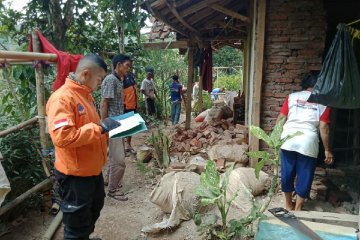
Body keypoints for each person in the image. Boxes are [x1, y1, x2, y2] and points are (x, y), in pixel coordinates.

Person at [46, 54, 119, 239]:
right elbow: (63, 136)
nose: (100, 83)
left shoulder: (85, 95)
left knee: (95, 207)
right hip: (75, 175)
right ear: (86, 74)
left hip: (91, 169)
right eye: (99, 79)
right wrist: (99, 128)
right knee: (76, 223)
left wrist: (103, 129)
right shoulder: (62, 99)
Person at [277, 72, 334, 211]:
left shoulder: (292, 97)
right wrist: (327, 149)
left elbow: (281, 119)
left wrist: (275, 139)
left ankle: (288, 204)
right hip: (308, 142)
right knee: (305, 175)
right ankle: (298, 208)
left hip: (288, 139)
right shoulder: (323, 102)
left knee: (287, 173)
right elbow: (323, 127)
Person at [101, 54, 131, 201]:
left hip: (119, 122)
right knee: (119, 159)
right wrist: (104, 124)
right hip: (113, 124)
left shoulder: (119, 80)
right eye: (127, 66)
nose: (128, 69)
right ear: (118, 65)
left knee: (114, 156)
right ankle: (112, 190)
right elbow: (104, 103)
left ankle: (109, 180)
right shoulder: (111, 80)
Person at [123, 61, 138, 155]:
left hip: (133, 105)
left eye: (130, 65)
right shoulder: (120, 77)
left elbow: (135, 90)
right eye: (127, 65)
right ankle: (122, 148)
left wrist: (137, 105)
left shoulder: (131, 76)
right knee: (124, 127)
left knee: (131, 127)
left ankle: (128, 145)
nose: (129, 67)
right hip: (125, 105)